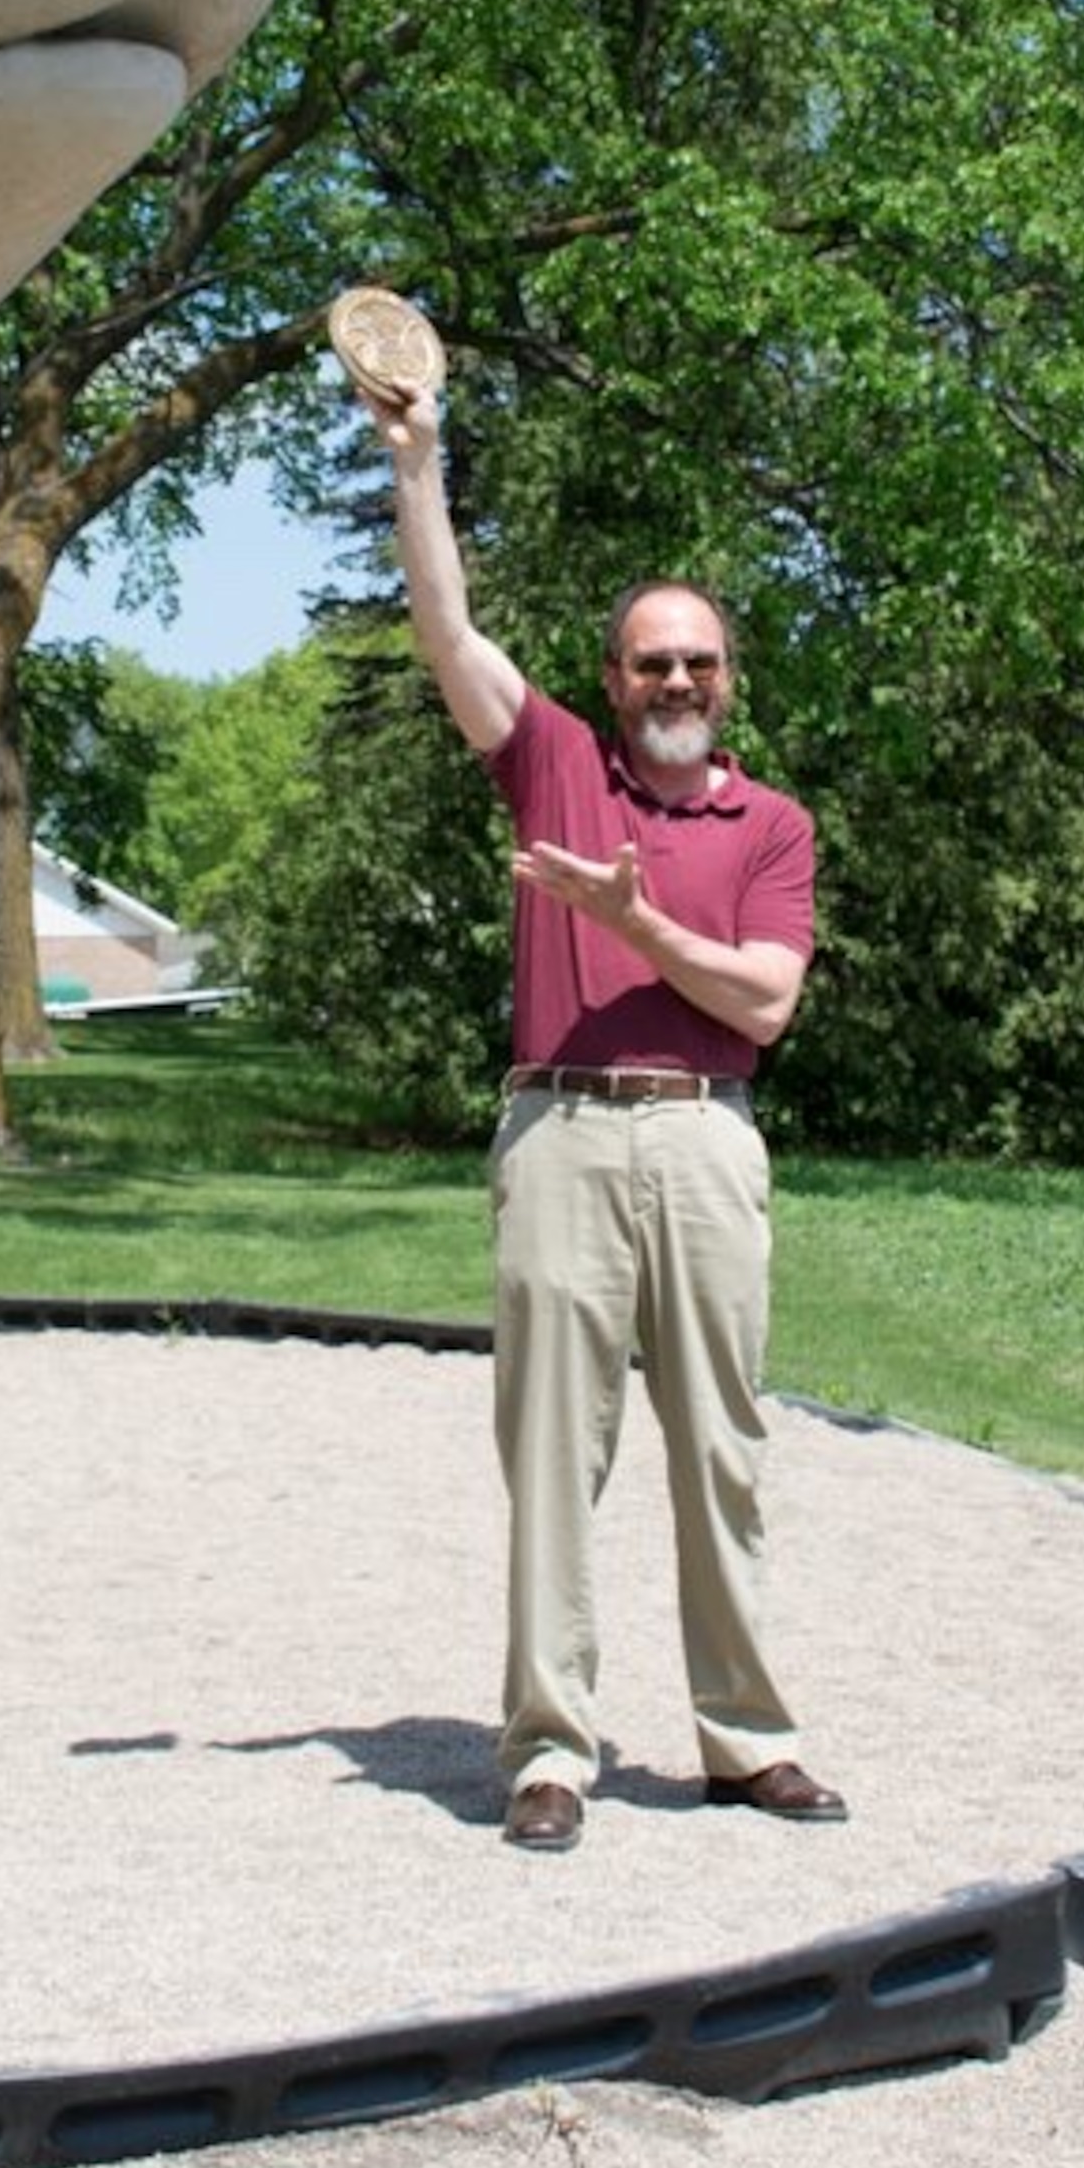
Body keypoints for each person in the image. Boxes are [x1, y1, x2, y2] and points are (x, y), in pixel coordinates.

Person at [370, 379, 845, 1853]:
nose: (676, 681)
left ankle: (746, 1740)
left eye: (698, 661)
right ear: (614, 677)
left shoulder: (772, 826)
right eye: (652, 662)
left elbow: (765, 1002)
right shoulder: (556, 764)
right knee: (551, 1457)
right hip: (561, 1137)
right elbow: (449, 633)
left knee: (723, 1447)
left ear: (730, 680)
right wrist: (419, 461)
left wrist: (634, 925)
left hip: (707, 1136)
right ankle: (549, 1753)